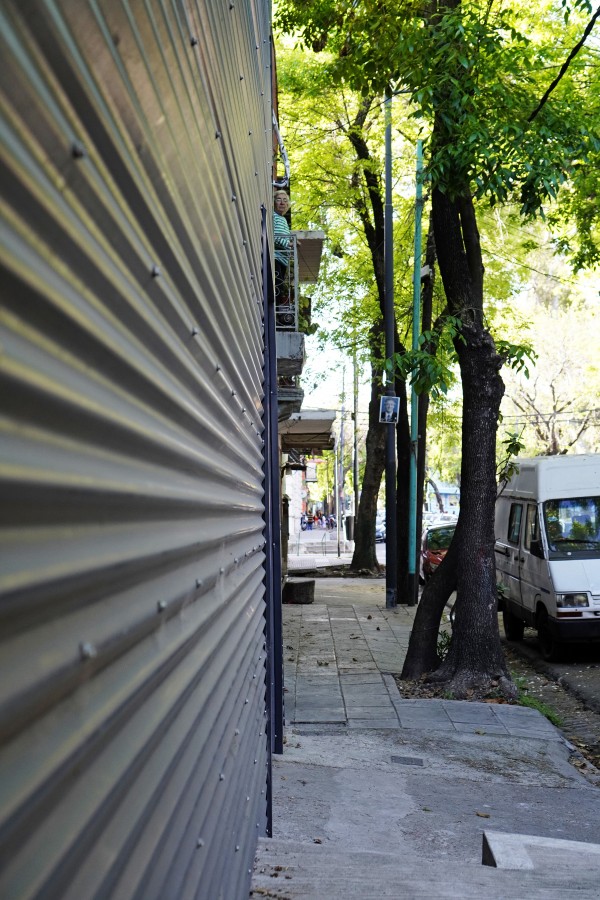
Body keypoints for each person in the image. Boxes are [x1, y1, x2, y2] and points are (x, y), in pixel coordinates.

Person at [273, 190, 291, 298]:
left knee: (280, 289)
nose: (282, 203)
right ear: (274, 202)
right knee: (277, 289)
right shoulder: (273, 216)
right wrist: (288, 244)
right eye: (279, 200)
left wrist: (292, 242)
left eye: (285, 200)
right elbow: (273, 236)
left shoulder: (283, 219)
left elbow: (284, 237)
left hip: (283, 261)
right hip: (276, 258)